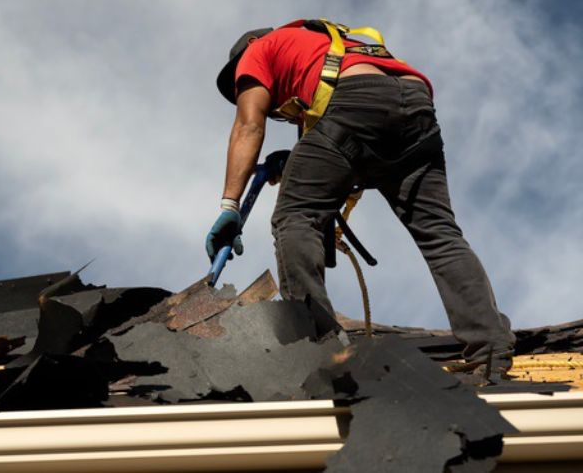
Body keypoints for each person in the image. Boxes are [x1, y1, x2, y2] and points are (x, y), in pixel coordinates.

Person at [206, 19, 515, 376]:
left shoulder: (258, 50)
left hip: (355, 102)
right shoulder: (322, 46)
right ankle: (490, 350)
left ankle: (320, 351)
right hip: (414, 106)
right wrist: (294, 161)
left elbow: (249, 125)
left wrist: (230, 205)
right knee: (440, 234)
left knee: (294, 219)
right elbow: (347, 147)